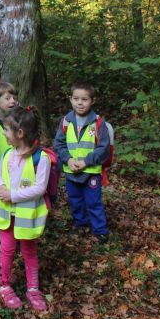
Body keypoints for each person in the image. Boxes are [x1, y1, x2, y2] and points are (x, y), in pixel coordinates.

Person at [0, 106, 51, 311]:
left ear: (20, 133)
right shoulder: (7, 154)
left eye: (6, 129)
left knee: (29, 251)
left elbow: (40, 188)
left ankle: (33, 288)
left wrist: (13, 195)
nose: (3, 133)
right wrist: (1, 186)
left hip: (27, 217)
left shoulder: (41, 159)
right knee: (7, 250)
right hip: (6, 215)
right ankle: (4, 284)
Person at [54, 82, 111, 242]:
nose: (80, 103)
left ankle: (100, 230)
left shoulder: (98, 123)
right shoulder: (66, 121)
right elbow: (58, 144)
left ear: (92, 101)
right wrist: (68, 159)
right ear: (70, 99)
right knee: (75, 200)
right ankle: (81, 225)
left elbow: (103, 148)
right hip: (71, 171)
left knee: (93, 202)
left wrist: (86, 161)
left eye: (84, 99)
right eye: (76, 98)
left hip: (91, 172)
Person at [0, 82, 19, 165]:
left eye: (15, 98)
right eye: (8, 98)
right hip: (1, 168)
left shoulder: (20, 121)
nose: (13, 101)